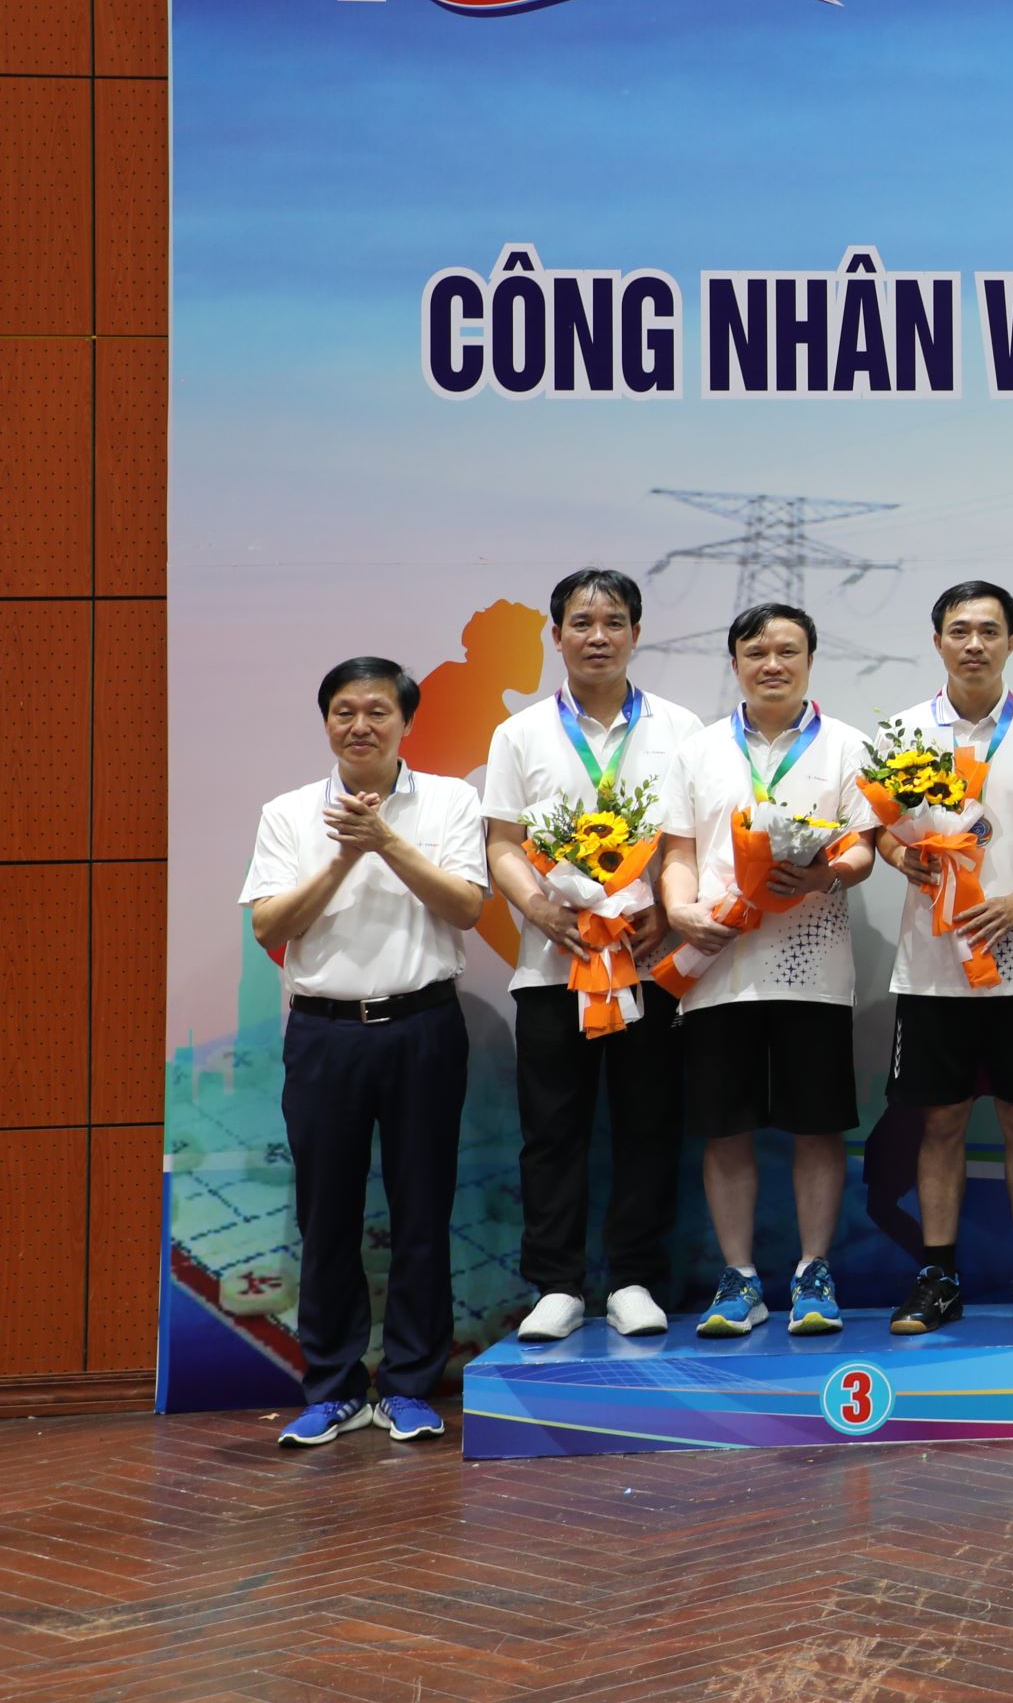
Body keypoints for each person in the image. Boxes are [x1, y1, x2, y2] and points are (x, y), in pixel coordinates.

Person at [242, 657, 488, 1447]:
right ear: (326, 722)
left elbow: (467, 907)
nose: (360, 726)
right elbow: (270, 926)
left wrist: (384, 841)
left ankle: (411, 1386)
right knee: (327, 1215)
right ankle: (334, 1389)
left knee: (422, 1210)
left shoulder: (451, 801)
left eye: (377, 711)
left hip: (424, 1026)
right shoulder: (288, 813)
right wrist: (346, 855)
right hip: (325, 1033)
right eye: (344, 711)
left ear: (405, 723)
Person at [481, 568, 702, 1345]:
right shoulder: (520, 735)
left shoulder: (681, 729)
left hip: (647, 965)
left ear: (636, 634)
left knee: (648, 1126)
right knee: (552, 1131)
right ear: (557, 636)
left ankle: (635, 1279)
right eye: (582, 623)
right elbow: (502, 842)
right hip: (553, 966)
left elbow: (687, 845)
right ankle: (557, 1285)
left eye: (613, 623)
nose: (597, 637)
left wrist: (666, 917)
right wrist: (540, 908)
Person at [657, 603, 877, 1338]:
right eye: (756, 652)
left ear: (810, 660)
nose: (772, 664)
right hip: (719, 967)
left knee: (817, 1126)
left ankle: (814, 1270)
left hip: (814, 969)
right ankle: (740, 1278)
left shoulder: (847, 746)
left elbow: (862, 849)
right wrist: (680, 908)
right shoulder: (697, 750)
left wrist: (823, 876)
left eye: (788, 651)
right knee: (726, 1129)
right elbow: (678, 852)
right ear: (735, 663)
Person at [878, 582, 1013, 1335]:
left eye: (989, 631)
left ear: (1011, 642)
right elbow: (875, 828)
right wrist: (900, 855)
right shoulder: (902, 732)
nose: (974, 644)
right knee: (941, 1122)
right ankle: (937, 1275)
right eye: (959, 630)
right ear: (937, 641)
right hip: (933, 965)